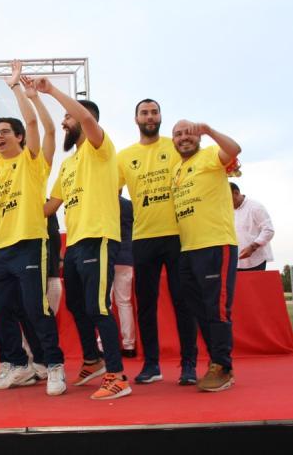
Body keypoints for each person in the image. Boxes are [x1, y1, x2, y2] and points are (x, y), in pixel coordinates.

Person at [0, 63, 67, 396]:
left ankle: (54, 365)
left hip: (30, 243)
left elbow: (37, 124)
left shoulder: (32, 160)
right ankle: (18, 364)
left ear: (19, 137)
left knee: (35, 309)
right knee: (1, 310)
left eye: (4, 132)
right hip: (2, 248)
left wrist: (16, 88)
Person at [41, 80, 132, 400]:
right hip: (76, 244)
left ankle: (117, 376)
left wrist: (51, 92)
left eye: (68, 117)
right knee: (77, 306)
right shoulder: (67, 165)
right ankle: (93, 360)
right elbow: (49, 207)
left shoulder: (100, 149)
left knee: (98, 307)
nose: (64, 123)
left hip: (99, 238)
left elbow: (87, 119)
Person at [117, 99, 198, 386]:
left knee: (183, 302)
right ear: (136, 119)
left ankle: (189, 364)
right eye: (144, 113)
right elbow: (110, 192)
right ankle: (151, 364)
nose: (149, 117)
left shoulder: (175, 146)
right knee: (146, 305)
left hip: (178, 236)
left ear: (161, 116)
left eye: (154, 112)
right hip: (142, 238)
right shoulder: (124, 156)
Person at [171, 119, 241, 392]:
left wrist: (210, 131)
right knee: (198, 309)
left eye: (188, 133)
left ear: (198, 137)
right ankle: (216, 361)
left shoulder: (211, 155)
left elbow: (234, 149)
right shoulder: (177, 169)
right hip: (188, 249)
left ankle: (223, 366)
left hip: (215, 244)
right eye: (178, 134)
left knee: (217, 308)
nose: (183, 138)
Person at [230, 182, 275, 271]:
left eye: (227, 198)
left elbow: (268, 230)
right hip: (235, 262)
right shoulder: (227, 211)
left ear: (236, 193)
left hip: (256, 261)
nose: (225, 202)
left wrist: (252, 247)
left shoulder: (255, 207)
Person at [114, 195, 136, 357]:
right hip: (127, 255)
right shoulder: (129, 205)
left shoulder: (103, 203)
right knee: (124, 302)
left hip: (109, 254)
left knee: (104, 303)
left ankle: (103, 344)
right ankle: (129, 345)